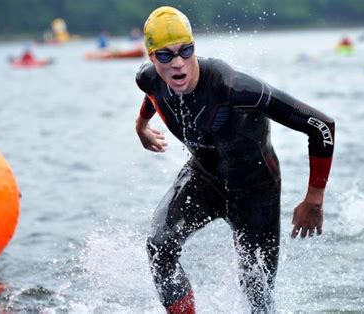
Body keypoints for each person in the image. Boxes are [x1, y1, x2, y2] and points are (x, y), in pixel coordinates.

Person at [135, 6, 335, 313]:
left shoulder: (233, 87)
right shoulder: (149, 80)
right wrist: (141, 126)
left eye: (185, 51)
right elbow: (153, 96)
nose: (178, 64)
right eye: (165, 55)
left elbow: (321, 125)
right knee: (159, 247)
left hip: (256, 190)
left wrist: (315, 198)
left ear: (193, 48)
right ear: (151, 58)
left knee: (258, 297)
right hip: (204, 179)